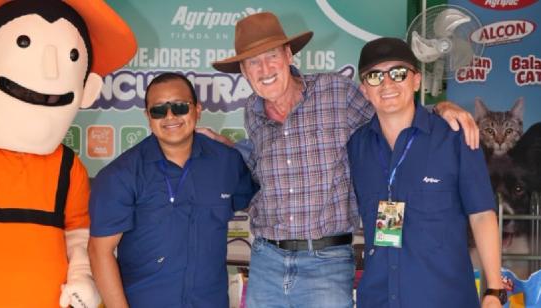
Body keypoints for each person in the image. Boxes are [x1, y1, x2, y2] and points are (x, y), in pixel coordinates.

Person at [210, 12, 480, 307]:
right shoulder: (253, 111)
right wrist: (224, 148)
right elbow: (258, 166)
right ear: (244, 72)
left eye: (271, 55)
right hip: (266, 259)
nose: (264, 69)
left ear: (289, 55)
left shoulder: (335, 92)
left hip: (326, 262)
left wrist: (441, 108)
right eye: (253, 62)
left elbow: (393, 109)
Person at [0, 1, 136, 307]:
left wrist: (83, 276)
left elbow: (78, 232)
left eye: (71, 56)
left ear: (88, 89)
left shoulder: (67, 165)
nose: (50, 68)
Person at [348, 37, 504, 308]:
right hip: (378, 298)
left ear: (416, 80)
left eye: (398, 73)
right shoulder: (356, 148)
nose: (387, 84)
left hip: (445, 297)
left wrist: (494, 290)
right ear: (364, 90)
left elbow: (482, 215)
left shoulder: (457, 138)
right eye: (374, 76)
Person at [88, 73, 256, 308]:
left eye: (180, 107)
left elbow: (259, 200)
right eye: (158, 110)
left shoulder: (226, 162)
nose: (170, 116)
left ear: (197, 109)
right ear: (148, 116)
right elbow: (99, 252)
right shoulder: (120, 175)